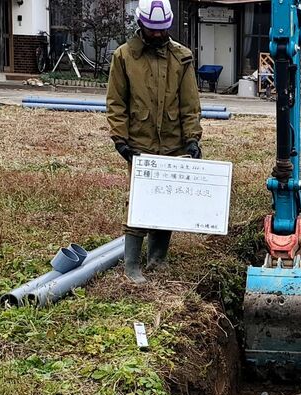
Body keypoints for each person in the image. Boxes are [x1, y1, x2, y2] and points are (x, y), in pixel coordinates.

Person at [106, 0, 203, 284]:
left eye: (162, 30)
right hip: (140, 144)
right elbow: (116, 102)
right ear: (140, 24)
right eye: (152, 30)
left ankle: (157, 260)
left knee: (166, 204)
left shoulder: (181, 57)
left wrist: (193, 140)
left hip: (173, 143)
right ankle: (132, 266)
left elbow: (189, 105)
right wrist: (120, 140)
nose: (158, 35)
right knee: (139, 204)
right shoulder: (124, 57)